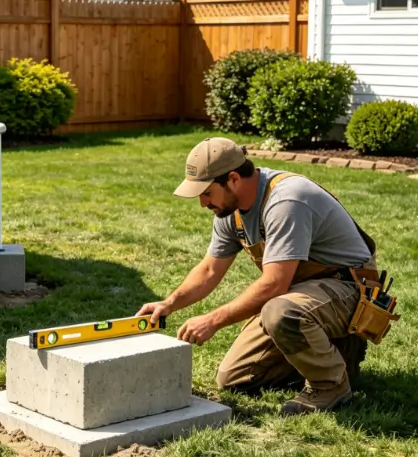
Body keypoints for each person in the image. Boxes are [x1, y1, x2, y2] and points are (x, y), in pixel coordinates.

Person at [136, 137, 382, 414]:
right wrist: (169, 304)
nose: (203, 203)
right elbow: (209, 270)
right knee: (234, 378)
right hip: (303, 294)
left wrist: (213, 320)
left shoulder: (287, 200)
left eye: (206, 192)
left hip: (348, 289)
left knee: (279, 310)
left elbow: (275, 283)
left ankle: (331, 384)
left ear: (232, 179)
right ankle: (338, 356)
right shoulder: (230, 212)